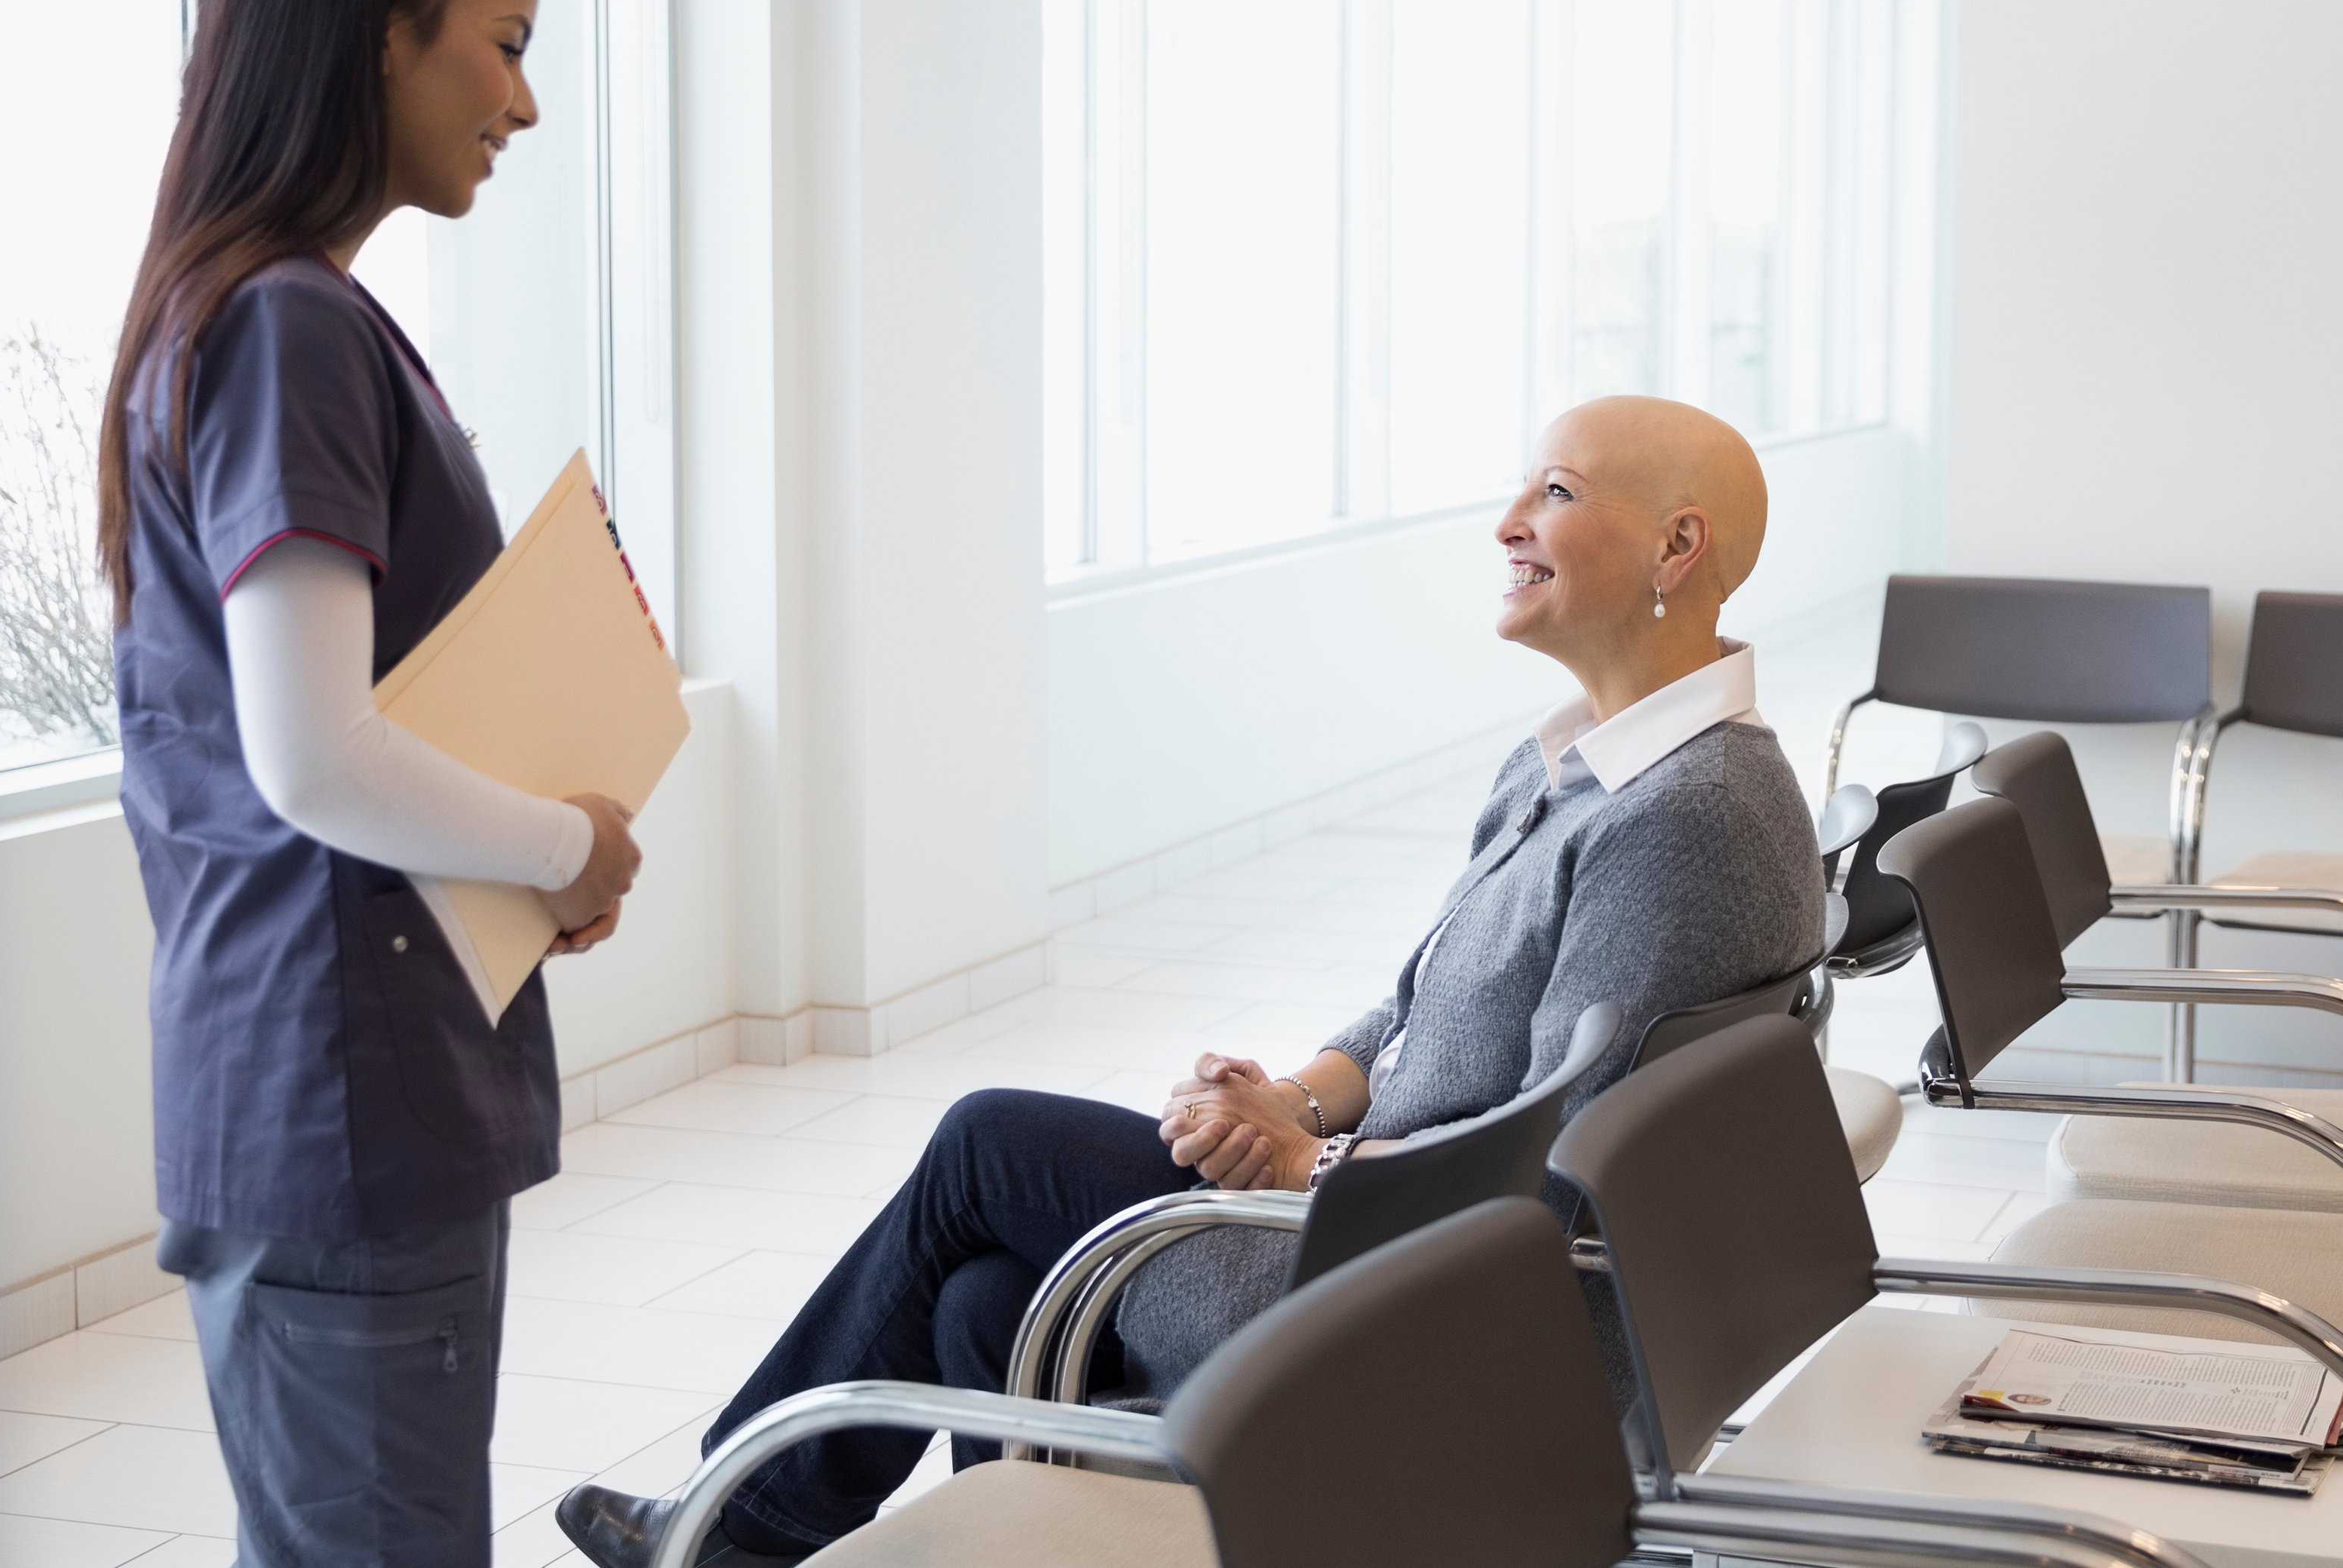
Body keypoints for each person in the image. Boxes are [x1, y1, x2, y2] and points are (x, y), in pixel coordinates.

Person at [557, 395, 1825, 1567]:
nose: (1506, 524)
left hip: (1440, 1309)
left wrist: (1298, 1168)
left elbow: (1552, 1172)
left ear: (1676, 547)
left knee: (988, 1143)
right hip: (1389, 1237)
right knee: (986, 1304)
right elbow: (1419, 1010)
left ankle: (725, 1523)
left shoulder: (1688, 815)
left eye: (1553, 491)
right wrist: (1289, 1099)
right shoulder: (1579, 766)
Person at [98, 0, 640, 1566]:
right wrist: (565, 844)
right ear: (379, 39)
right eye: (503, 40)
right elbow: (316, 754)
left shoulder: (265, 316)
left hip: (325, 1088)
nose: (527, 102)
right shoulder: (287, 331)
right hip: (339, 1109)